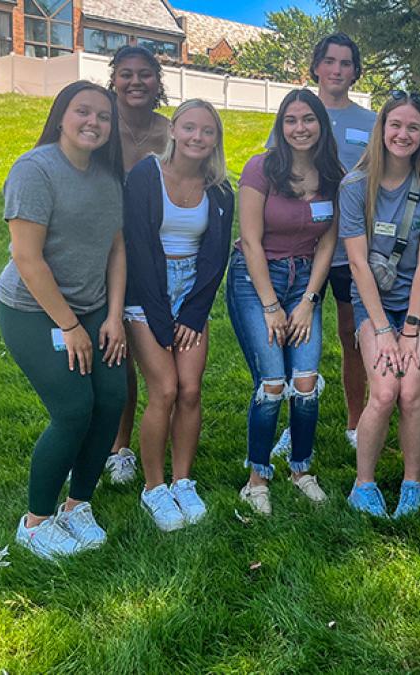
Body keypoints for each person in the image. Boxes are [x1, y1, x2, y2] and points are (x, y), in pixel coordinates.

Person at [0, 81, 127, 560]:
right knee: (74, 409)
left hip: (94, 309)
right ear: (61, 115)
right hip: (34, 310)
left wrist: (112, 316)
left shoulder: (109, 176)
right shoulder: (36, 170)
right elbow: (27, 259)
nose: (93, 122)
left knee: (112, 398)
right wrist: (70, 328)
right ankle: (34, 523)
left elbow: (116, 248)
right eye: (83, 112)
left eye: (104, 116)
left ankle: (77, 505)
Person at [228, 89, 343, 515]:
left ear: (321, 125)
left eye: (308, 119)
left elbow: (329, 240)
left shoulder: (332, 173)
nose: (300, 128)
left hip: (305, 282)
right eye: (291, 120)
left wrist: (310, 299)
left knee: (307, 382)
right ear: (281, 125)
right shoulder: (261, 169)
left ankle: (301, 470)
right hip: (256, 279)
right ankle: (257, 478)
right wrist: (272, 306)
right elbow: (252, 242)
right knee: (273, 384)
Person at [340, 91, 420, 518]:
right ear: (382, 128)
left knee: (410, 392)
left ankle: (412, 483)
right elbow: (356, 262)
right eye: (396, 125)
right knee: (385, 390)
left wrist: (408, 329)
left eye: (413, 127)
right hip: (372, 301)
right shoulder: (354, 187)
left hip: (419, 302)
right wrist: (383, 330)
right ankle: (363, 484)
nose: (403, 134)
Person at [123, 100, 234, 531]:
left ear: (215, 140)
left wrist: (192, 313)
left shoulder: (221, 189)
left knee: (190, 389)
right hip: (145, 292)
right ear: (173, 130)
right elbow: (137, 248)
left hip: (192, 294)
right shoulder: (146, 176)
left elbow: (215, 259)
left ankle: (182, 481)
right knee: (165, 389)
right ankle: (154, 488)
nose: (197, 138)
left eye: (207, 131)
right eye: (189, 128)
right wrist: (159, 317)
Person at [272, 33, 377, 458]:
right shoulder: (296, 114)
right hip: (301, 248)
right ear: (316, 66)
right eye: (330, 61)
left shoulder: (371, 122)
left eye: (346, 63)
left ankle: (356, 420)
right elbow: (274, 176)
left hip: (352, 248)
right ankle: (290, 422)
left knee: (353, 334)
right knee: (290, 337)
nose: (337, 70)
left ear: (356, 71)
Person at [103, 45, 171, 485]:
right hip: (103, 247)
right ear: (114, 80)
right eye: (125, 74)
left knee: (155, 349)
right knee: (118, 355)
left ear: (157, 81)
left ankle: (156, 431)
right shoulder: (100, 124)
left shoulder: (171, 131)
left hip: (156, 252)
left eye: (144, 74)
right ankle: (118, 447)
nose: (135, 82)